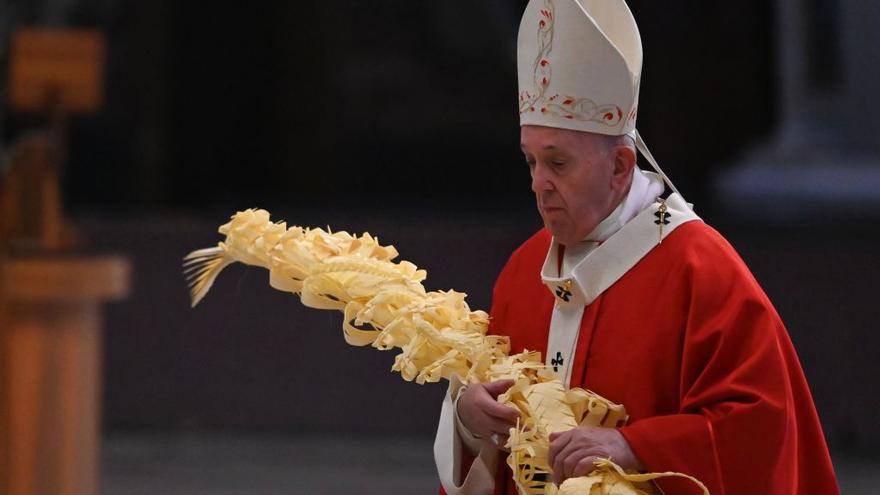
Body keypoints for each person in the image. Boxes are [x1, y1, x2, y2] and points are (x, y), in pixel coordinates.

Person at [434, 0, 840, 494]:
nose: (538, 184)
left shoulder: (701, 269)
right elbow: (491, 428)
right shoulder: (523, 272)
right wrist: (470, 419)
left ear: (622, 166)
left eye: (558, 164)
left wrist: (637, 447)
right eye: (530, 161)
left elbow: (761, 433)